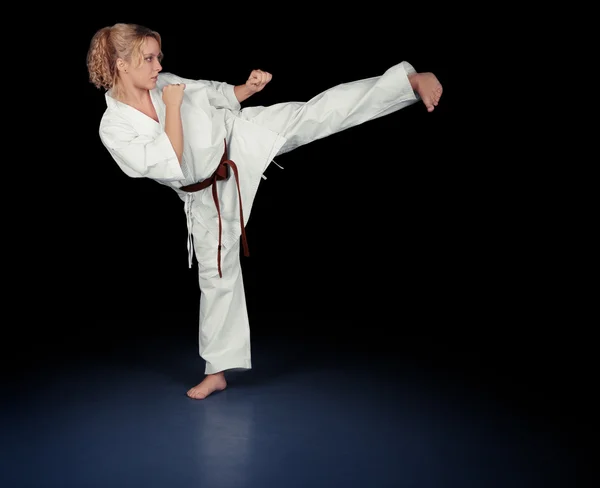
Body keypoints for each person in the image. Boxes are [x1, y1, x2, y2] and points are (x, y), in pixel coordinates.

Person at [86, 22, 443, 400]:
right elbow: (171, 160)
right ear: (122, 64)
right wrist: (173, 106)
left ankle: (407, 82)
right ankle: (217, 371)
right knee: (216, 275)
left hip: (236, 136)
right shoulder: (114, 128)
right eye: (149, 58)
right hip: (204, 193)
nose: (159, 65)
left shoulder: (165, 82)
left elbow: (208, 93)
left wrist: (246, 89)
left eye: (159, 56)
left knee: (312, 115)